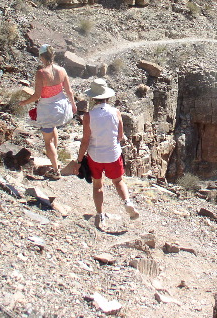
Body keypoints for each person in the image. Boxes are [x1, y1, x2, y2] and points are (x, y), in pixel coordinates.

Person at [74, 78, 139, 229]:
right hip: (113, 154)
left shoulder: (88, 117)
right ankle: (127, 202)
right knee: (118, 181)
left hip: (95, 156)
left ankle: (100, 215)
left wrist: (78, 161)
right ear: (108, 97)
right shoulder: (116, 112)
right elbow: (120, 136)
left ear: (93, 98)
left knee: (97, 185)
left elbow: (85, 140)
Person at [19, 44, 77, 179]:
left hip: (48, 109)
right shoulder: (61, 70)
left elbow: (37, 95)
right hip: (62, 107)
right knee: (53, 129)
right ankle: (55, 159)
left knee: (47, 141)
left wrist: (24, 102)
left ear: (41, 57)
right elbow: (69, 91)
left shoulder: (41, 73)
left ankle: (56, 170)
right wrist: (73, 105)